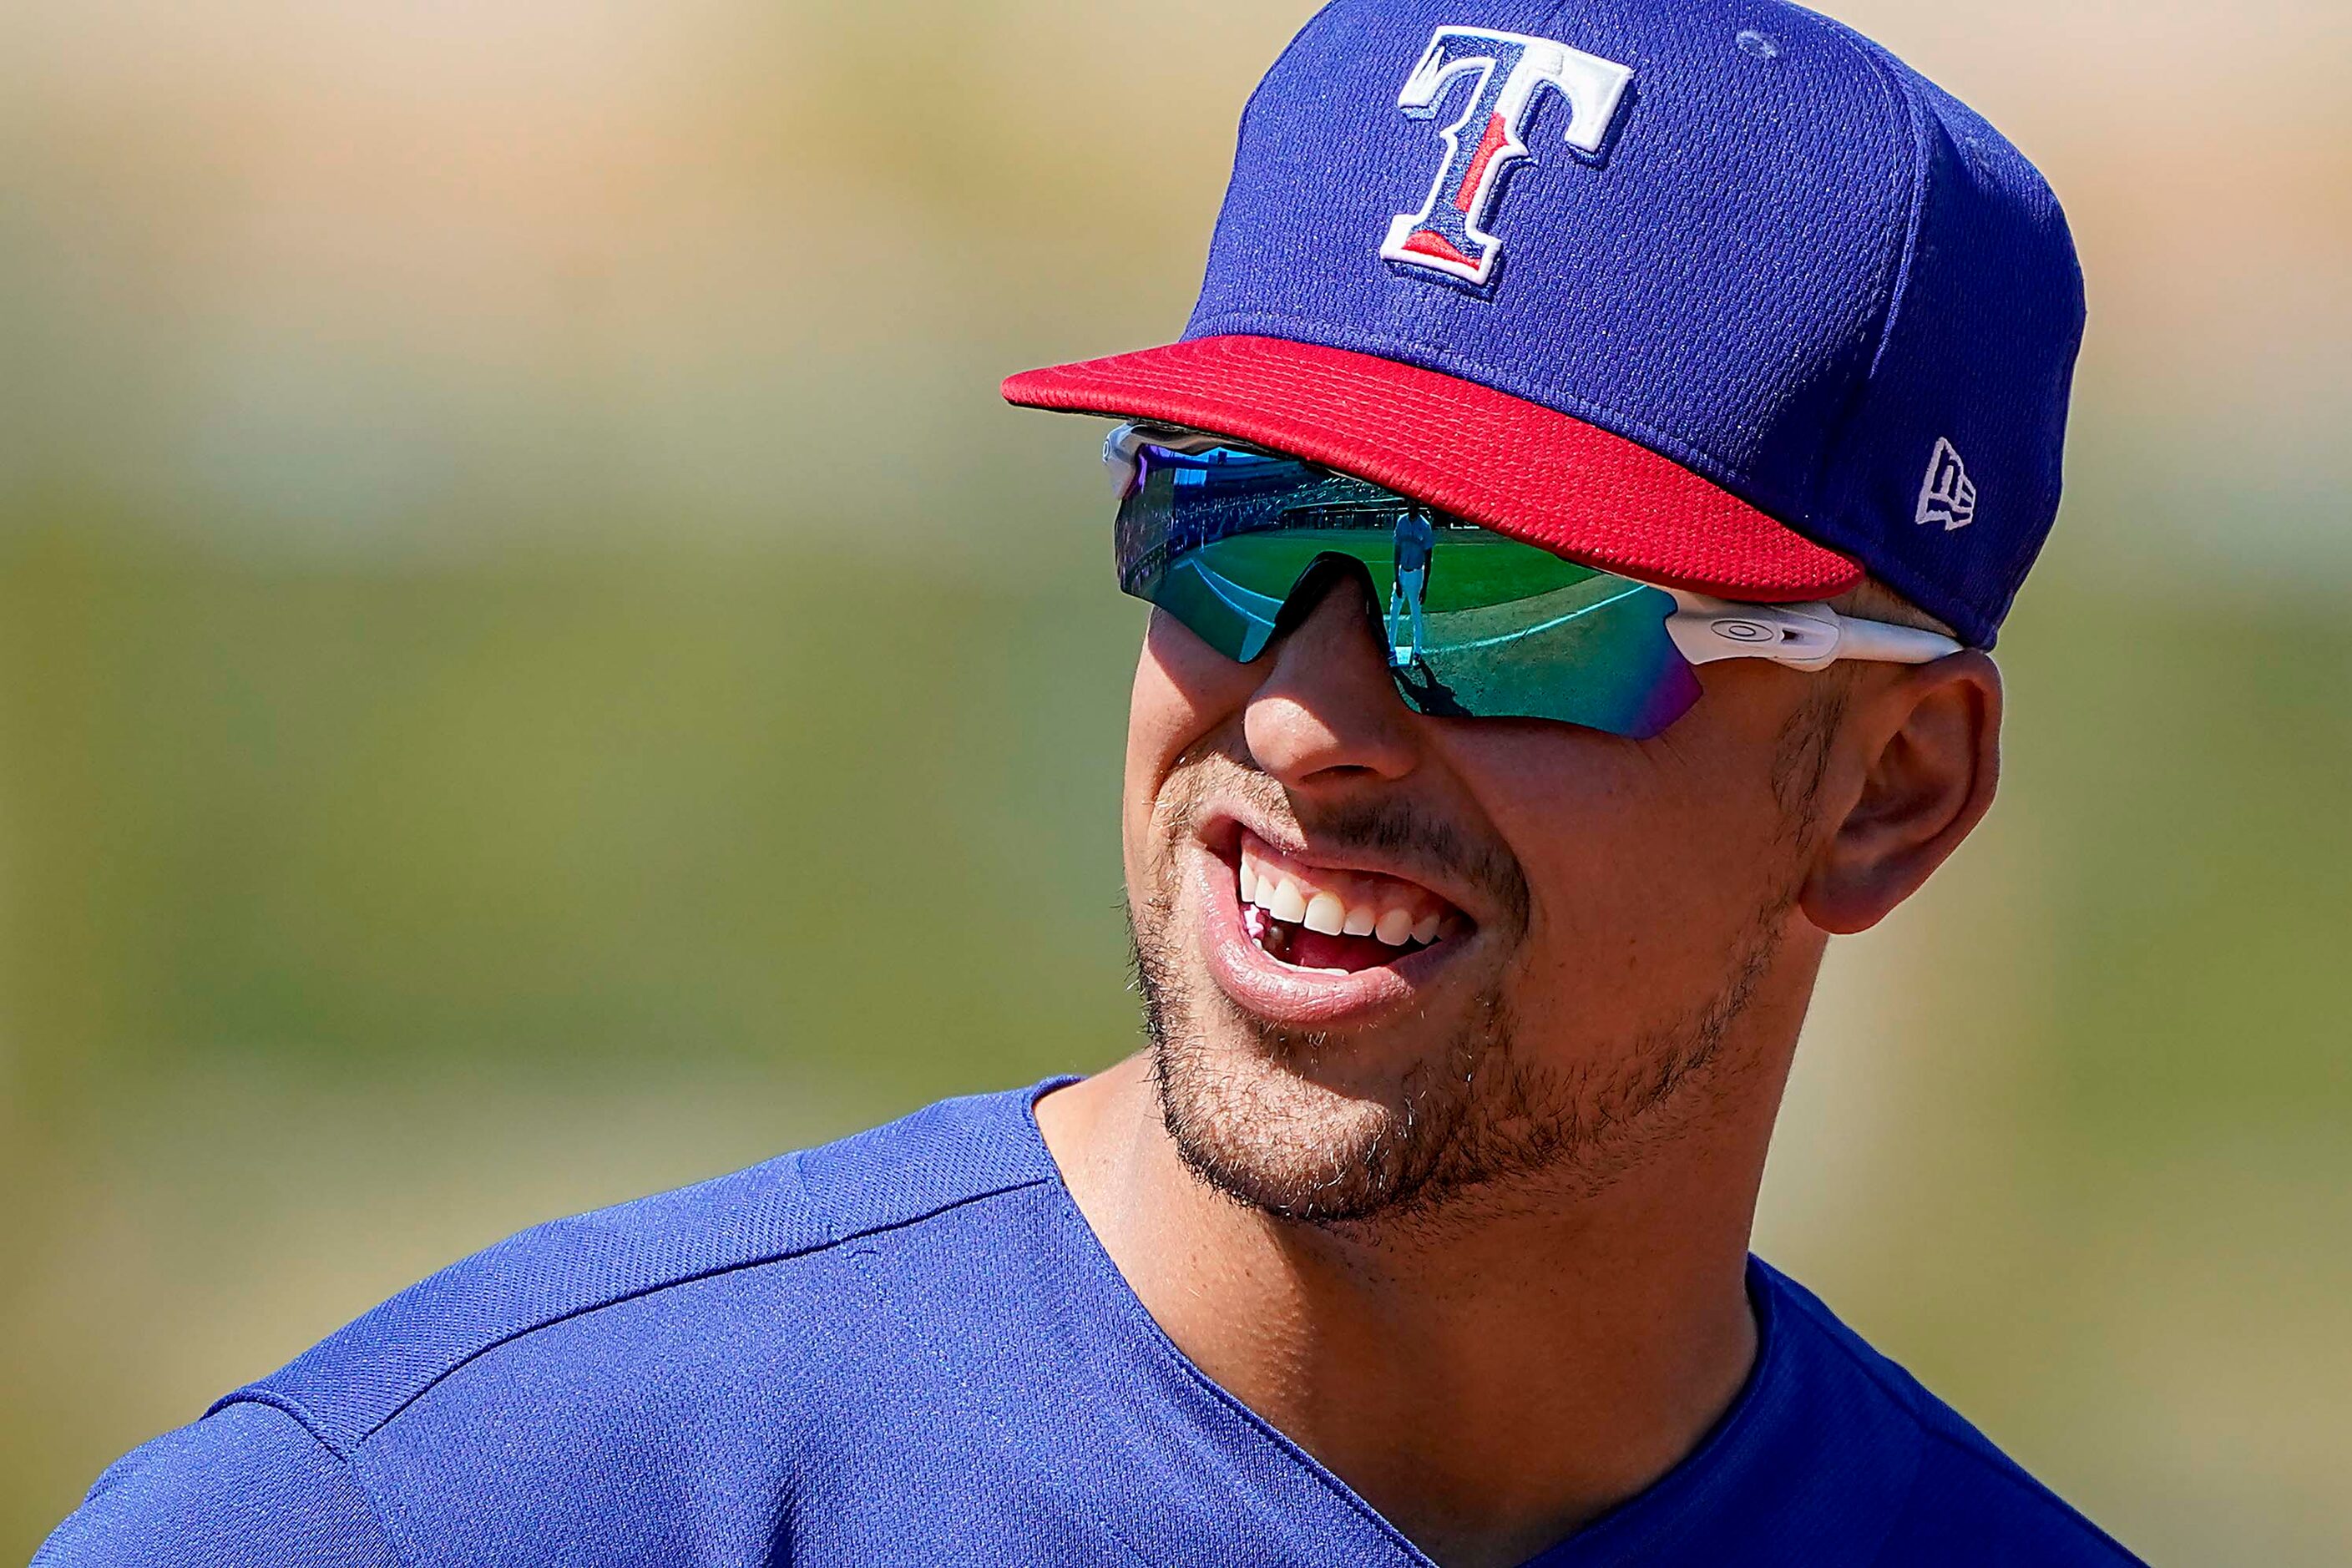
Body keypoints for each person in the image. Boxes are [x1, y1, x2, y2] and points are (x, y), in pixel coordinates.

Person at [37, 3, 2142, 1565]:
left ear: (1887, 787)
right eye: (1225, 514)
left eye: (1510, 594)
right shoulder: (453, 1515)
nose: (1304, 717)